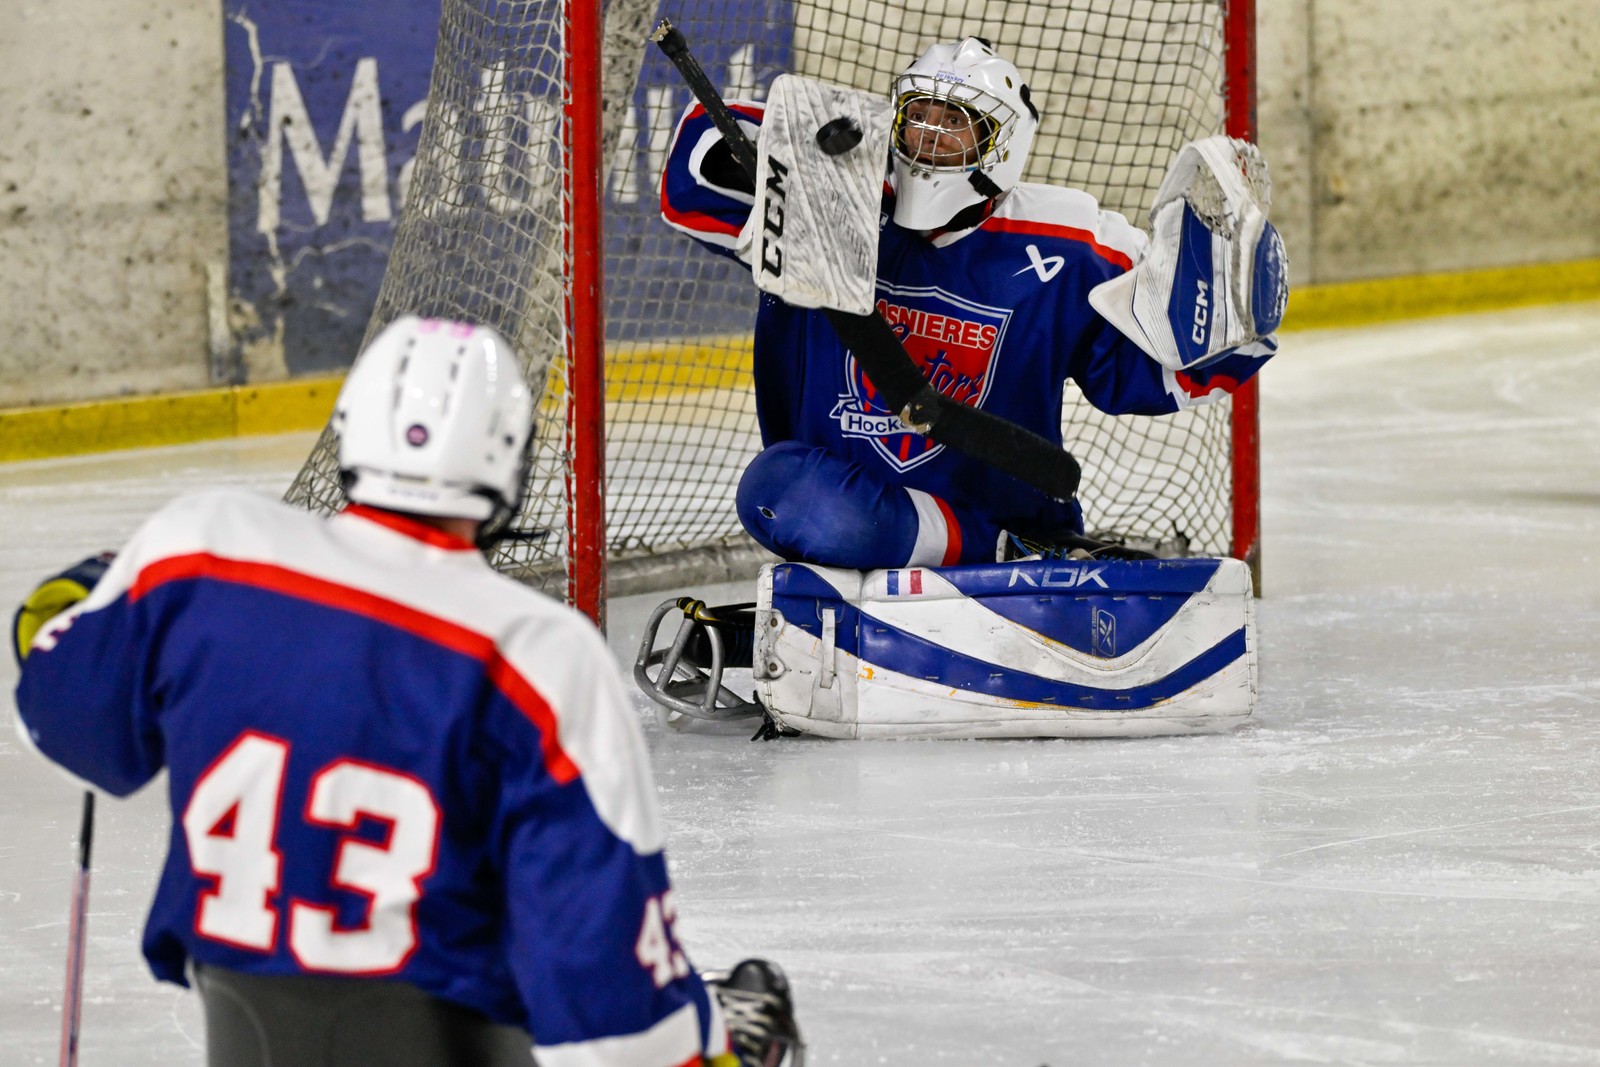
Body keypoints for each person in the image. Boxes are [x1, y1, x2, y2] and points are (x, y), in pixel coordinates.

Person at [11, 316, 802, 1067]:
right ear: (511, 463)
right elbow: (617, 1018)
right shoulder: (536, 655)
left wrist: (76, 602)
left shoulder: (201, 551)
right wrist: (713, 1036)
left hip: (244, 1031)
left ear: (351, 426)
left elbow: (63, 718)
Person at [661, 36, 1284, 570]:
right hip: (848, 504)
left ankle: (1016, 546)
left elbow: (1165, 371)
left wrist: (1237, 301)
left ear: (1001, 145)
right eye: (919, 116)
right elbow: (687, 185)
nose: (929, 134)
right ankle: (1001, 554)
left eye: (956, 123)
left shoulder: (1071, 242)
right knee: (775, 489)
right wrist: (798, 141)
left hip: (1003, 503)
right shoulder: (837, 196)